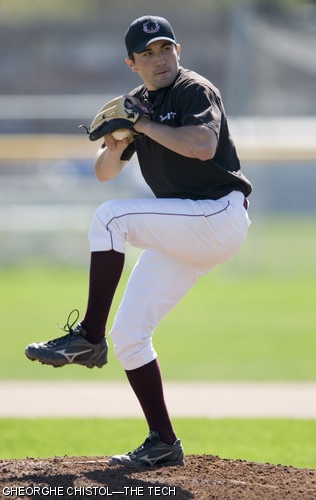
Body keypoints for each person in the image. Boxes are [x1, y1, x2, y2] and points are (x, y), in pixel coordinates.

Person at [25, 15, 252, 468]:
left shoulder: (193, 90)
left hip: (217, 214)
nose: (158, 58)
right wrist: (114, 144)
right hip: (185, 228)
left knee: (111, 219)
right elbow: (104, 173)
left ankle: (87, 336)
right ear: (132, 63)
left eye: (165, 48)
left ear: (178, 51)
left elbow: (203, 146)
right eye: (147, 53)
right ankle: (163, 442)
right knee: (130, 337)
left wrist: (143, 126)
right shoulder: (137, 106)